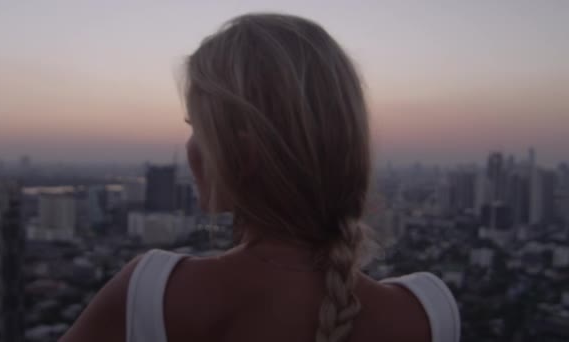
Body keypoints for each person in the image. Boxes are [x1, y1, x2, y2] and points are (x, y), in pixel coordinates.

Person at [61, 13, 460, 342]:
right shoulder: (427, 315)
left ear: (244, 151)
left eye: (197, 127)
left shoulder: (151, 295)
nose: (190, 146)